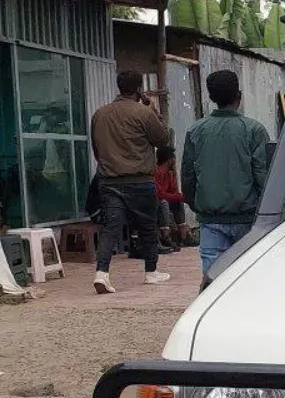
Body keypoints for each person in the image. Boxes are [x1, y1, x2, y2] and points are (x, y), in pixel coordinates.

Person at [181, 70, 270, 280]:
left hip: (210, 218)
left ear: (211, 97)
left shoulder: (196, 131)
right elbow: (263, 175)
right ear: (239, 96)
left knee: (214, 279)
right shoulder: (254, 130)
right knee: (249, 275)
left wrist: (198, 205)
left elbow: (187, 176)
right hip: (247, 218)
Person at [90, 70, 171, 294]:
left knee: (110, 228)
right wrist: (153, 109)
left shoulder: (100, 114)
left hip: (109, 181)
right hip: (140, 181)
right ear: (138, 89)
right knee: (147, 227)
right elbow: (163, 139)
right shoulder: (143, 113)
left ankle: (102, 273)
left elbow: (97, 150)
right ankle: (151, 272)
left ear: (118, 86)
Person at [154, 145, 189, 251]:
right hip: (157, 201)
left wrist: (179, 197)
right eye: (173, 157)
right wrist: (177, 196)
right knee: (164, 203)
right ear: (169, 159)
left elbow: (173, 191)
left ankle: (184, 236)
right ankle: (165, 237)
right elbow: (159, 194)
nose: (175, 159)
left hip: (166, 200)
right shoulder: (156, 172)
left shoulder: (169, 174)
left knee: (178, 202)